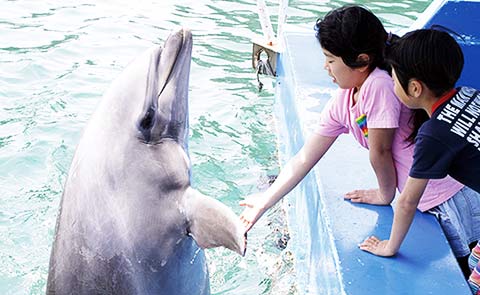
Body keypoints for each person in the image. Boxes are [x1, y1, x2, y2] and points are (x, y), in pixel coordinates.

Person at [239, 5, 474, 277]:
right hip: (427, 196)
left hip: (446, 196)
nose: (325, 67)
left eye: (330, 59)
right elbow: (305, 157)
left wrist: (385, 195)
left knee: (466, 269)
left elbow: (381, 151)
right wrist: (265, 201)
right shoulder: (346, 99)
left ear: (362, 60)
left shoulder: (379, 85)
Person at [358, 29, 480, 292]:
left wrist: (389, 246)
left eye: (393, 80)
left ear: (414, 88)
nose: (391, 85)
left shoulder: (434, 133)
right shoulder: (471, 94)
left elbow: (408, 201)